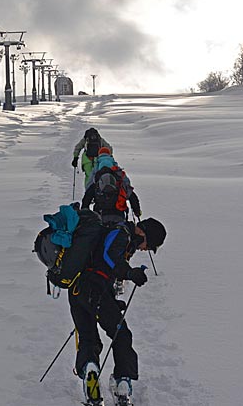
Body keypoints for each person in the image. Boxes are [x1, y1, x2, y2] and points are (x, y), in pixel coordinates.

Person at [69, 217, 167, 405]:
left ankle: (91, 373)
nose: (145, 249)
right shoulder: (121, 234)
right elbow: (109, 257)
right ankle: (122, 383)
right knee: (121, 335)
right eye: (149, 244)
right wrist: (129, 273)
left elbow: (101, 262)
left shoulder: (118, 233)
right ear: (143, 233)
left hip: (77, 290)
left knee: (88, 337)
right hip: (94, 291)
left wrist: (112, 302)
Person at [81, 147, 141, 225]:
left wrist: (84, 211)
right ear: (110, 155)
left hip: (100, 213)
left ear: (99, 155)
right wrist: (137, 211)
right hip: (118, 212)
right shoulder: (117, 172)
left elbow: (88, 191)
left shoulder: (97, 170)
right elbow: (129, 191)